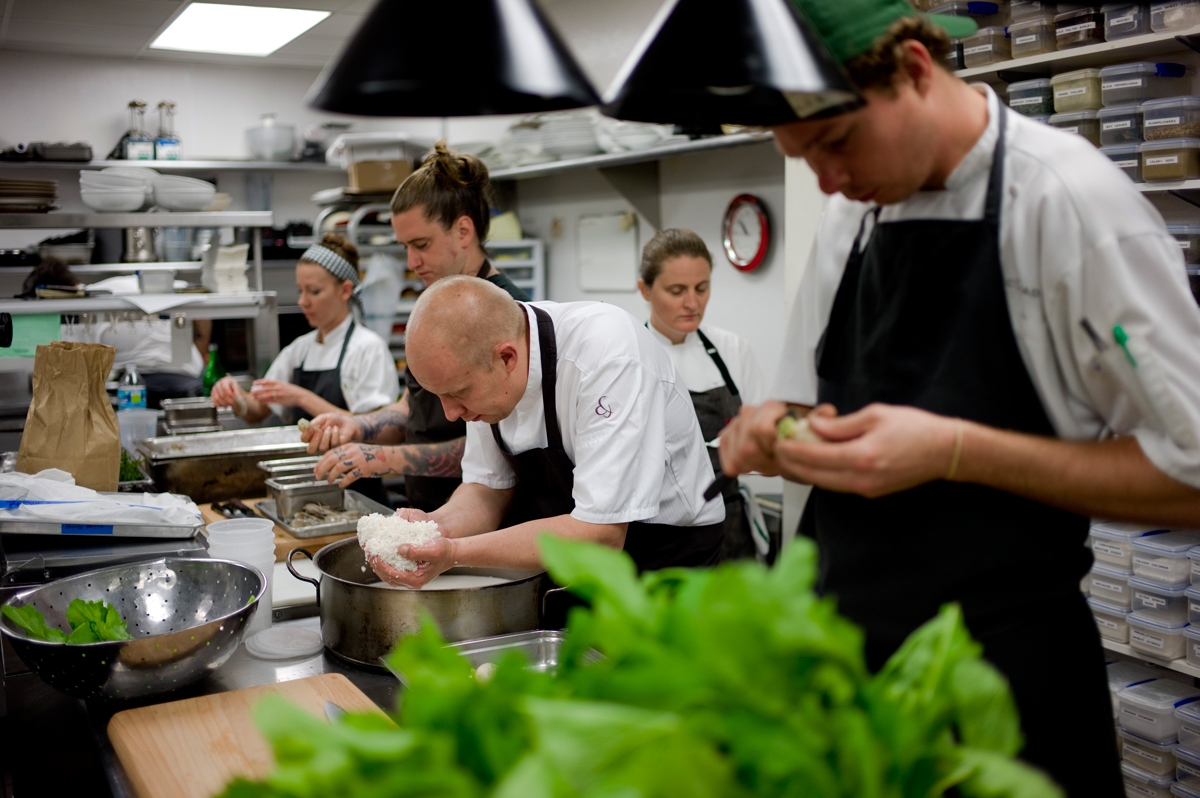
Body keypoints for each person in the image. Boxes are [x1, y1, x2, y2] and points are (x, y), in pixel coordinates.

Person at [717, 2, 1200, 794]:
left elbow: (1193, 473)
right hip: (855, 688)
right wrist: (779, 429)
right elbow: (817, 407)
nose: (829, 181)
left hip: (1004, 698)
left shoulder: (1068, 205)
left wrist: (954, 450)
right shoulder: (853, 214)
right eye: (803, 158)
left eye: (837, 142)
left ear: (914, 69)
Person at [363, 275, 725, 587]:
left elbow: (601, 535)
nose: (452, 413)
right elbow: (486, 490)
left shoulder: (607, 357)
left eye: (457, 393)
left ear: (507, 358)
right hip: (573, 554)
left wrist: (455, 553)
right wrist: (433, 528)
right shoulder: (483, 358)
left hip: (666, 556)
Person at [302, 142, 528, 509]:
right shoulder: (435, 308)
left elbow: (501, 451)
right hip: (425, 511)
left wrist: (384, 459)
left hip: (481, 521)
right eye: (405, 246)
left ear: (463, 231)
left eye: (421, 244)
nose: (412, 261)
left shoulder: (508, 316)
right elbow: (412, 406)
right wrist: (359, 427)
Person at [209, 233, 398, 501]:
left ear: (345, 291)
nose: (302, 302)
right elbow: (257, 410)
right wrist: (234, 397)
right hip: (307, 486)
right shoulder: (300, 349)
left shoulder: (368, 348)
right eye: (300, 291)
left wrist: (301, 397)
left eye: (314, 291)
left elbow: (377, 433)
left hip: (358, 492)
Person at [637, 228, 766, 561]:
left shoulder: (731, 349)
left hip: (731, 527)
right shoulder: (631, 356)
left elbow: (764, 439)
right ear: (645, 290)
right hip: (660, 536)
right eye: (677, 290)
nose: (692, 303)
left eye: (702, 288)